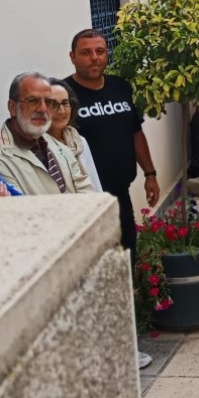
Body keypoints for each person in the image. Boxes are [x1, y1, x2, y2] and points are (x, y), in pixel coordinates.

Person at [64, 30, 160, 262]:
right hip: (85, 199)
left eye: (100, 51)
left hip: (120, 193)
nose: (94, 57)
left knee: (128, 254)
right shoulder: (63, 94)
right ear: (72, 56)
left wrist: (150, 174)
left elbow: (135, 132)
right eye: (86, 52)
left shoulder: (120, 87)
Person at [0, 73, 93, 196]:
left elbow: (87, 192)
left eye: (48, 102)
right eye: (33, 101)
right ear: (12, 107)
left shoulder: (56, 144)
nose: (43, 109)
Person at [47, 78, 103, 192]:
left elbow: (94, 182)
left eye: (65, 103)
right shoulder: (37, 149)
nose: (62, 111)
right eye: (53, 104)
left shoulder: (79, 141)